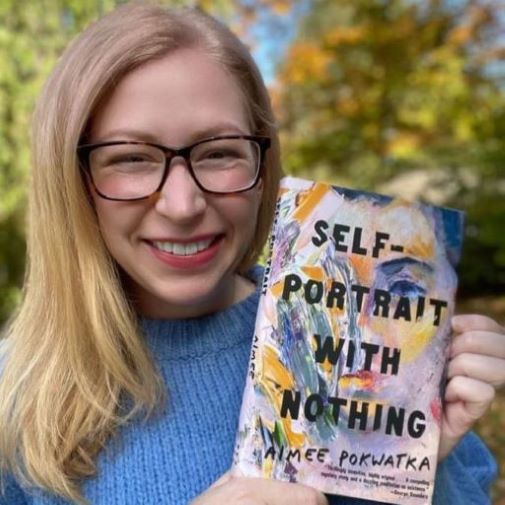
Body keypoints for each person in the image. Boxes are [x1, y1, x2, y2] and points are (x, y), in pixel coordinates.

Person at [0, 3, 503, 505]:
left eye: (218, 152)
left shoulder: (360, 333)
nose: (182, 204)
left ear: (263, 166)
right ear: (72, 181)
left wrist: (421, 465)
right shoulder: (12, 391)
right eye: (131, 158)